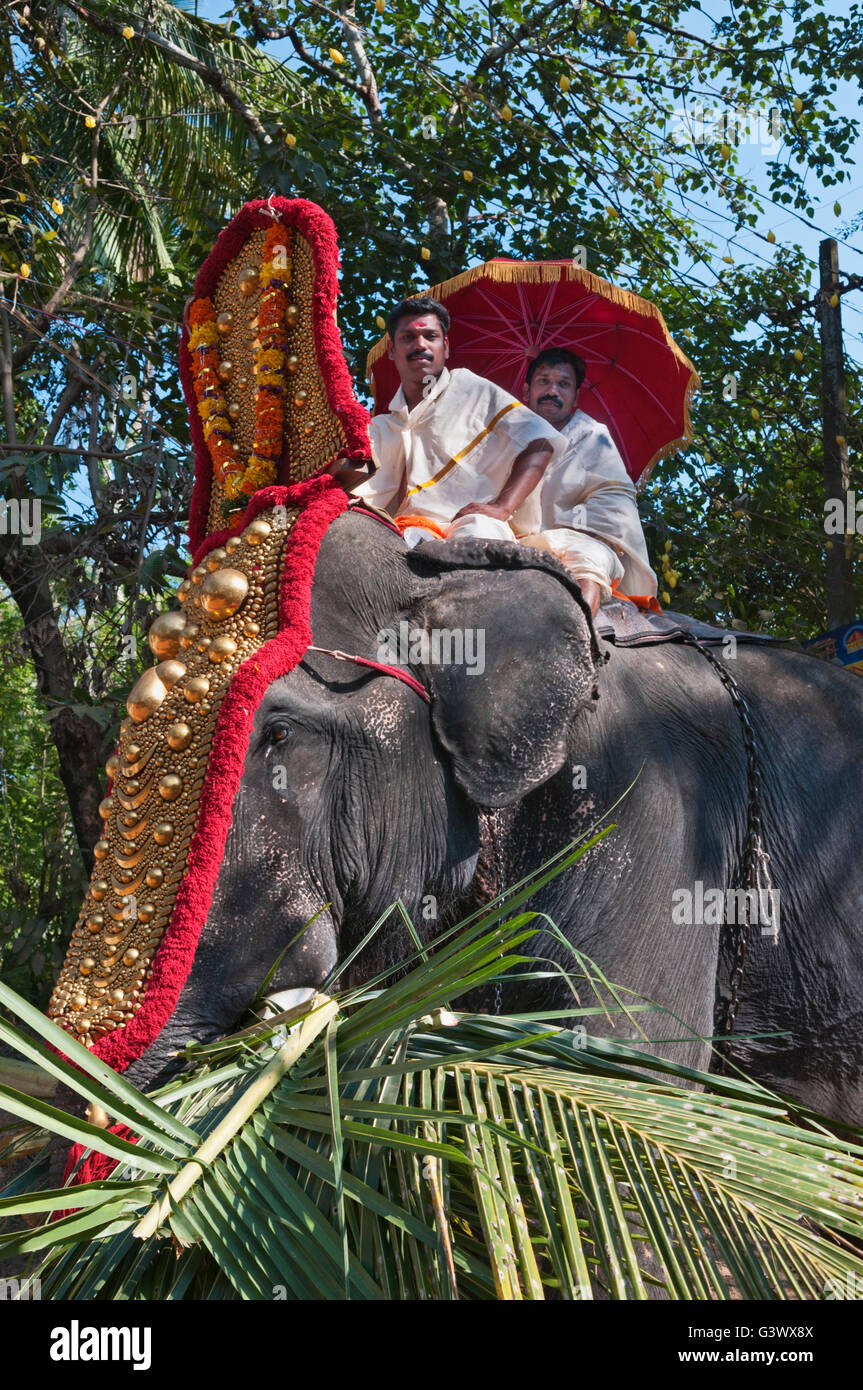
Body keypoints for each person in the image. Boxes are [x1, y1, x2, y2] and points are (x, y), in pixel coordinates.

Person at [335, 297, 566, 545]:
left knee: (478, 534)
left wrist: (501, 508)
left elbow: (540, 443)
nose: (420, 344)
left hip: (470, 527)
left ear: (445, 346)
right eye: (408, 337)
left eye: (430, 336)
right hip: (401, 533)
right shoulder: (380, 427)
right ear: (391, 349)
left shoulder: (470, 388)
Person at [522, 348, 657, 616]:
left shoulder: (594, 437)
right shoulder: (510, 431)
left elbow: (615, 503)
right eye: (543, 381)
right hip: (518, 538)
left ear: (575, 397)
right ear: (526, 391)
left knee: (588, 557)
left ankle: (578, 640)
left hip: (581, 543)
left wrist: (562, 532)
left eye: (563, 384)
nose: (552, 391)